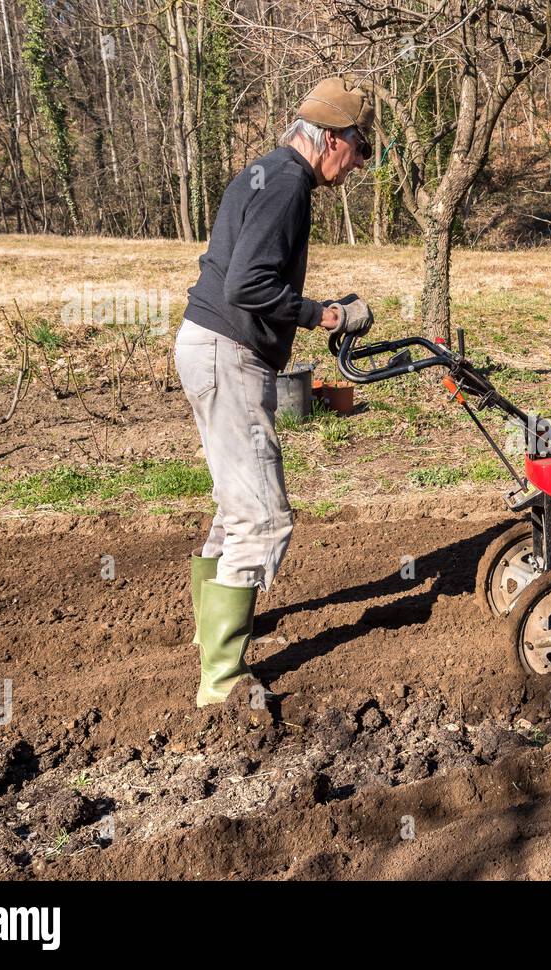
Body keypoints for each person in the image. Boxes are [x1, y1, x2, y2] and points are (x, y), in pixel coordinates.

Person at [174, 78, 375, 706]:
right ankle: (223, 680)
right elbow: (246, 285)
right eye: (360, 149)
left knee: (236, 508)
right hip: (228, 353)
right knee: (263, 519)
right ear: (334, 140)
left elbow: (242, 275)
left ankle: (217, 639)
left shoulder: (266, 172)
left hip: (208, 347)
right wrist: (324, 316)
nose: (361, 163)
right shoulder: (288, 184)